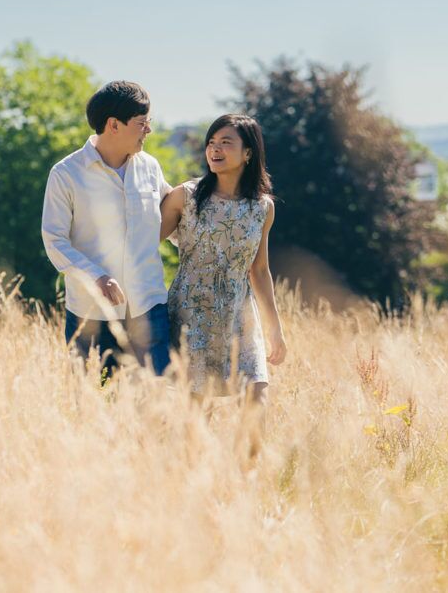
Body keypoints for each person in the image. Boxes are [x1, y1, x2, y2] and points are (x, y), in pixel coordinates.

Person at [41, 81, 172, 380]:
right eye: (142, 123)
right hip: (91, 316)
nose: (148, 130)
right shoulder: (66, 174)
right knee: (95, 404)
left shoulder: (150, 167)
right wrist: (96, 277)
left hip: (149, 308)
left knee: (158, 401)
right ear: (113, 125)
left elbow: (171, 220)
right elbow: (54, 240)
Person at [159, 113, 287, 402]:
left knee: (257, 401)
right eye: (211, 142)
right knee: (196, 412)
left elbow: (260, 270)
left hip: (239, 316)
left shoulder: (262, 208)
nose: (215, 149)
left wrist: (275, 329)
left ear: (248, 153)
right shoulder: (186, 196)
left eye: (226, 142)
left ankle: (250, 451)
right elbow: (144, 243)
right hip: (191, 315)